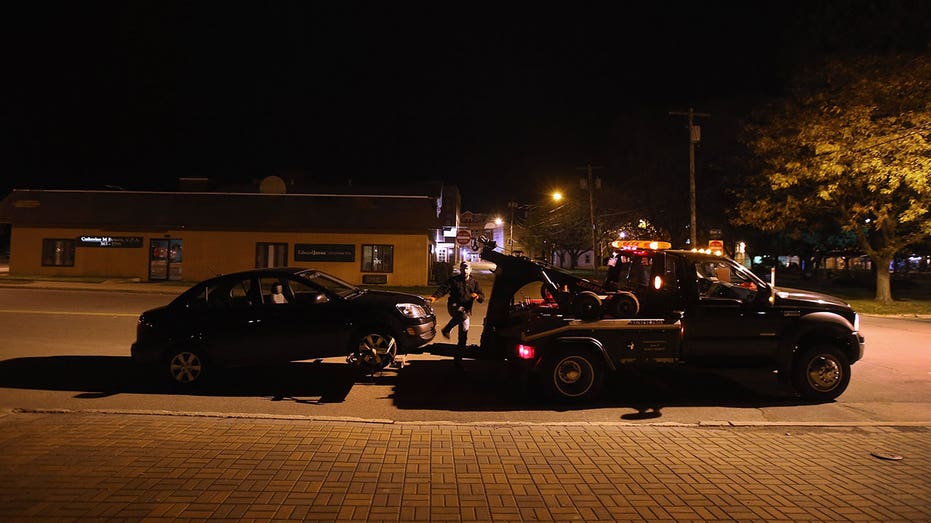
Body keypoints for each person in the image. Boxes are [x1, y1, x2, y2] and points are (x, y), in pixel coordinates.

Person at [427, 261, 484, 367]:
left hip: (466, 311)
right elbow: (443, 289)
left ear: (470, 270)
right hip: (453, 307)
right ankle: (447, 329)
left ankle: (458, 360)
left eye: (466, 268)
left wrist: (477, 296)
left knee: (463, 336)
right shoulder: (454, 280)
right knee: (461, 314)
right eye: (462, 268)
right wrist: (434, 297)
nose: (464, 270)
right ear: (460, 270)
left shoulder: (474, 283)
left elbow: (482, 297)